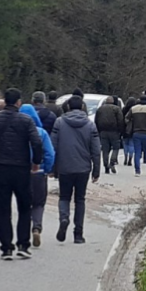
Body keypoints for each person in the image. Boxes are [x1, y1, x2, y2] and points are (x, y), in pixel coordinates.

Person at [0, 88, 43, 260]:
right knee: (24, 207)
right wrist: (36, 162)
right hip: (21, 168)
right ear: (18, 103)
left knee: (3, 209)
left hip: (0, 167)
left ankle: (6, 247)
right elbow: (36, 142)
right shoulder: (26, 120)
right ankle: (23, 244)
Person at [51, 95, 100, 243]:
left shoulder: (59, 122)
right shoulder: (90, 125)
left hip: (65, 167)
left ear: (68, 107)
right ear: (83, 107)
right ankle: (78, 234)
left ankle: (64, 217)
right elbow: (96, 150)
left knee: (64, 197)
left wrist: (53, 167)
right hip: (83, 168)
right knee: (80, 200)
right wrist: (96, 170)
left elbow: (53, 146)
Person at [19, 104, 55, 248]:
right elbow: (50, 153)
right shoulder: (41, 132)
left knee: (24, 203)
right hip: (38, 172)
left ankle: (24, 233)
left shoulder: (17, 131)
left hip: (20, 172)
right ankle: (37, 227)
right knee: (38, 203)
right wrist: (46, 169)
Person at [125, 94, 146, 176]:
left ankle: (137, 171)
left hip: (136, 133)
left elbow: (126, 119)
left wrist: (131, 124)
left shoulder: (133, 109)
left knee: (137, 152)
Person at [95, 96, 124, 174]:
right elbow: (120, 121)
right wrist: (120, 131)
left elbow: (96, 120)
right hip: (114, 131)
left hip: (103, 132)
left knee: (105, 150)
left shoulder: (100, 109)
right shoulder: (117, 109)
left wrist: (98, 131)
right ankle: (112, 162)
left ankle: (106, 166)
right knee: (115, 148)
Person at [122, 97, 136, 166]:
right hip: (133, 129)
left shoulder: (124, 109)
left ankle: (125, 157)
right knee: (131, 144)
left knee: (125, 143)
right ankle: (130, 158)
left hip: (125, 128)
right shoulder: (135, 110)